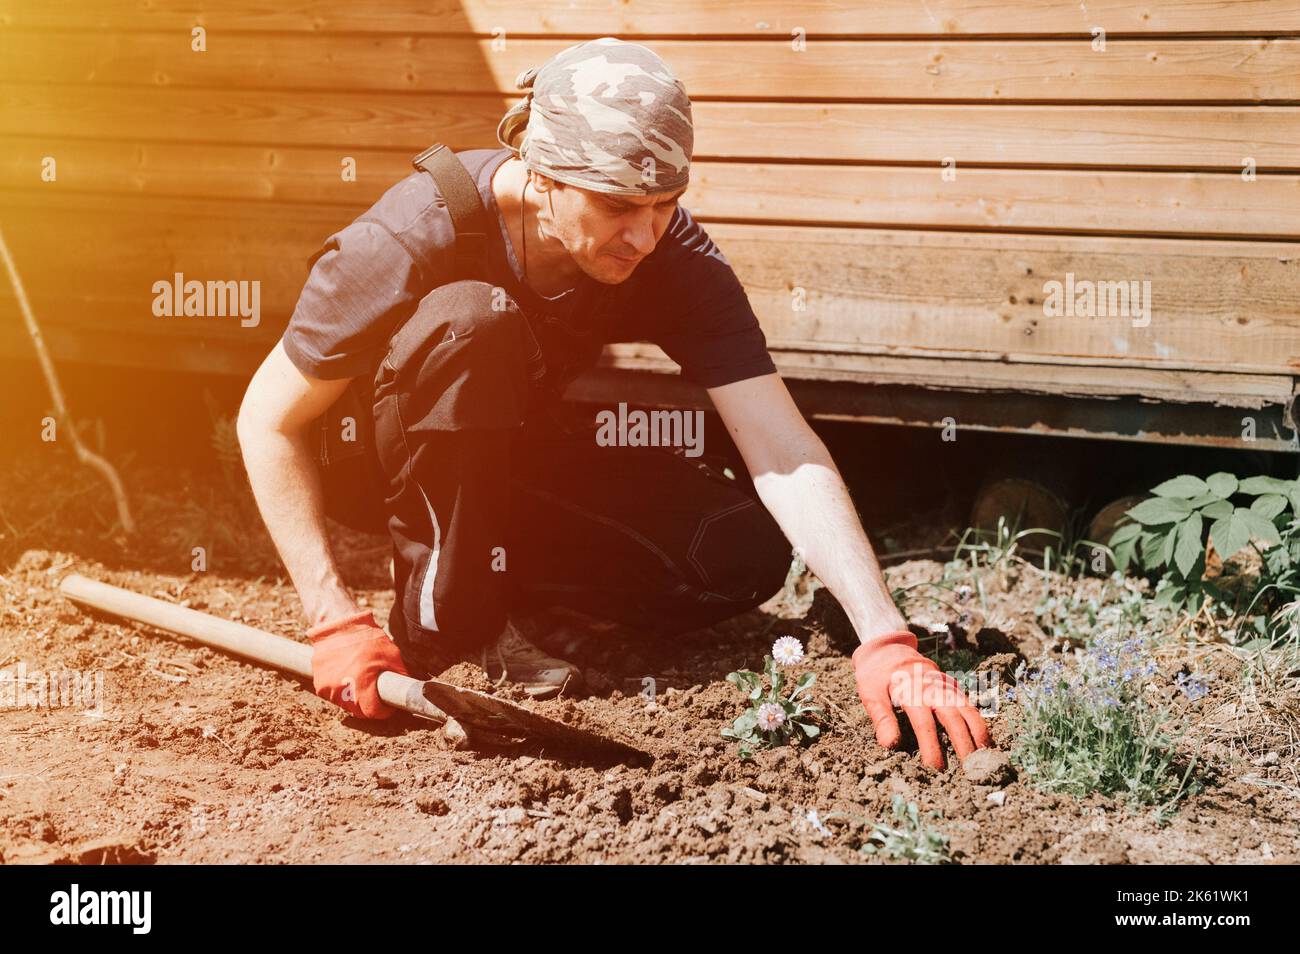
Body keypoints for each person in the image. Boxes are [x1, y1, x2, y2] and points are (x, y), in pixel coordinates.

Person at [237, 37, 991, 770]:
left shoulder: (668, 254)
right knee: (476, 322)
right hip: (377, 460)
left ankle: (512, 591)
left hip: (503, 450)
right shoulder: (414, 233)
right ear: (542, 174)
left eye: (665, 203)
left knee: (739, 548)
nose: (643, 234)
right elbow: (266, 418)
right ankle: (451, 624)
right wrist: (332, 616)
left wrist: (885, 638)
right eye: (617, 205)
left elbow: (780, 445)